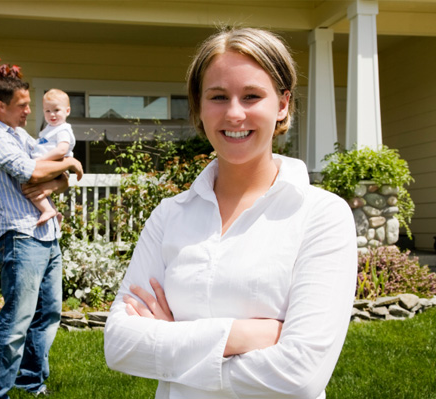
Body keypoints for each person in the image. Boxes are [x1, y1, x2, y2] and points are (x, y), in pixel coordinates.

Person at [104, 27, 357, 399]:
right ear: (199, 106)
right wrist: (244, 335)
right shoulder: (168, 216)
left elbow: (301, 376)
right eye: (218, 96)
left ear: (283, 104)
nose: (234, 113)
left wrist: (170, 342)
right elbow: (120, 345)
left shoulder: (322, 216)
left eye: (252, 96)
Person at [0, 77, 83, 399]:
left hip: (47, 232)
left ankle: (30, 381)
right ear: (1, 106)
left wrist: (60, 176)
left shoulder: (22, 135)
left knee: (48, 313)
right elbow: (31, 173)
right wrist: (69, 163)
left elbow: (60, 179)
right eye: (22, 105)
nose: (28, 111)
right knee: (18, 317)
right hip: (19, 235)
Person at [29, 88, 76, 226]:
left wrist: (40, 160)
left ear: (67, 111)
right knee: (38, 189)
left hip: (55, 166)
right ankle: (54, 214)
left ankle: (48, 210)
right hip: (49, 166)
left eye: (56, 110)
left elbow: (62, 149)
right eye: (47, 111)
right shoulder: (49, 128)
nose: (52, 114)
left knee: (28, 186)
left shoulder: (63, 129)